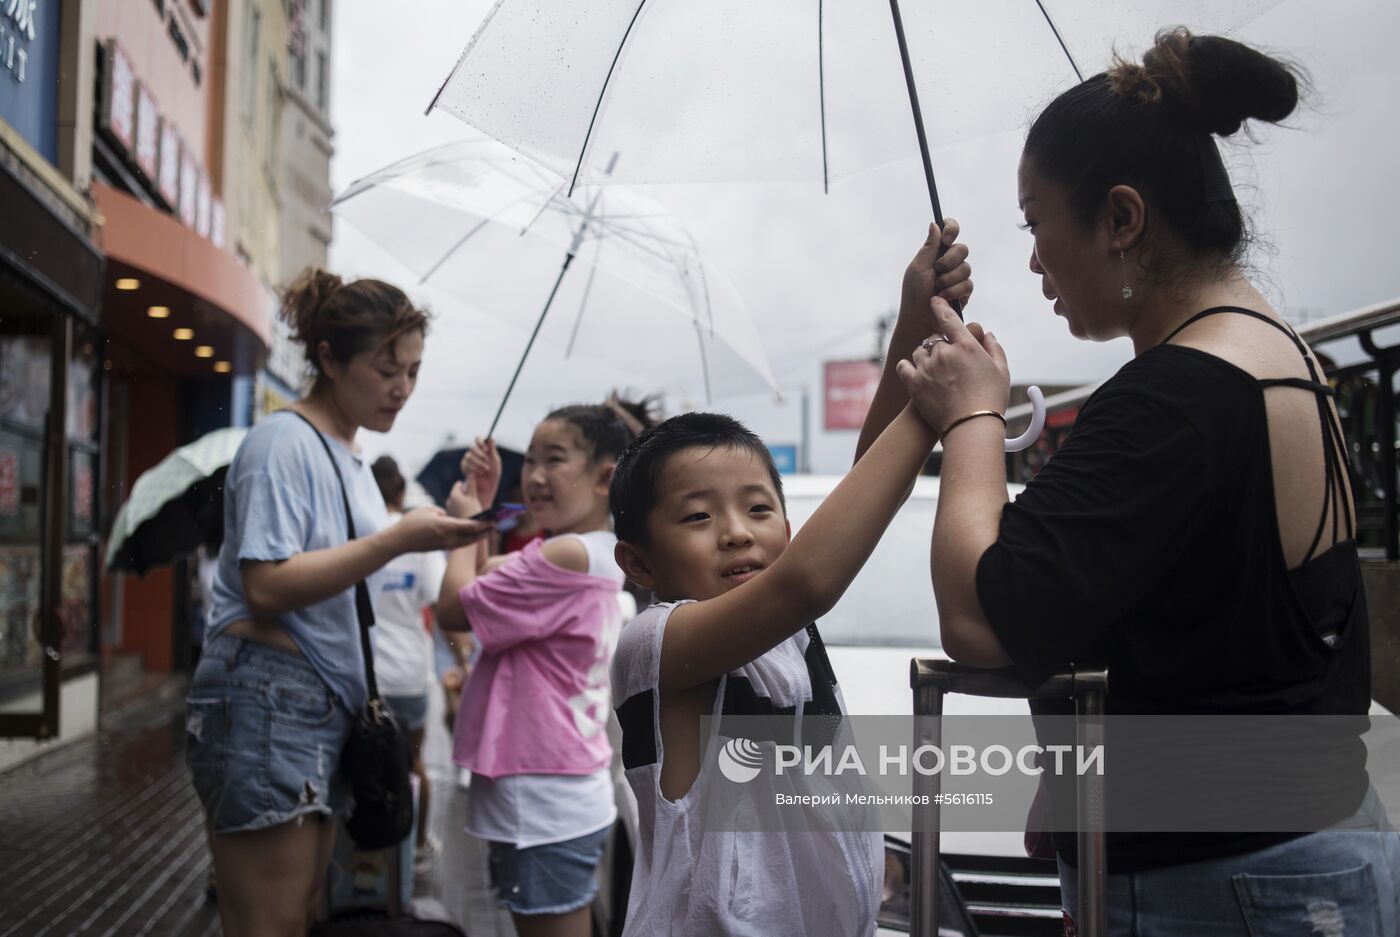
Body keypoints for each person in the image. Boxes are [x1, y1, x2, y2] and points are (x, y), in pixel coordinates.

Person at [891, 29, 1400, 935]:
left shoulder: (1174, 395)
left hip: (1222, 884)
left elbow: (978, 619)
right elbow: (1221, 626)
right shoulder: (1286, 359)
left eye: (1036, 221)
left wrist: (972, 414)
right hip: (1311, 851)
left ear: (1122, 219)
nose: (1035, 257)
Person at [602, 217, 968, 937]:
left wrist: (915, 324)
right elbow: (805, 581)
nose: (738, 530)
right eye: (698, 517)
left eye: (759, 508)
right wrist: (940, 406)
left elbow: (866, 481)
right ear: (638, 562)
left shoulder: (785, 635)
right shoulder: (656, 644)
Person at [184, 269, 494, 937]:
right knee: (270, 921)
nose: (402, 388)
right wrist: (396, 539)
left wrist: (464, 519)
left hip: (318, 705)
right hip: (269, 697)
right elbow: (265, 583)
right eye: (387, 369)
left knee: (300, 914)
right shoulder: (282, 443)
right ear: (328, 356)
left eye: (413, 371)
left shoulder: (349, 456)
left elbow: (445, 603)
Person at [437, 397, 656, 937]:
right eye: (530, 459)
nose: (533, 476)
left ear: (605, 477)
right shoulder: (597, 551)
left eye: (553, 459)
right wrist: (483, 514)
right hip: (558, 787)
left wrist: (466, 521)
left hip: (539, 796)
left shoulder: (565, 557)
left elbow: (454, 607)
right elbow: (487, 574)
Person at [368, 454, 450, 875]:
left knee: (363, 765)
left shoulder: (360, 533)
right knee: (412, 764)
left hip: (365, 678)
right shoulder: (414, 536)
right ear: (400, 492)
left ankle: (366, 857)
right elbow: (438, 604)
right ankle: (416, 848)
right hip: (409, 676)